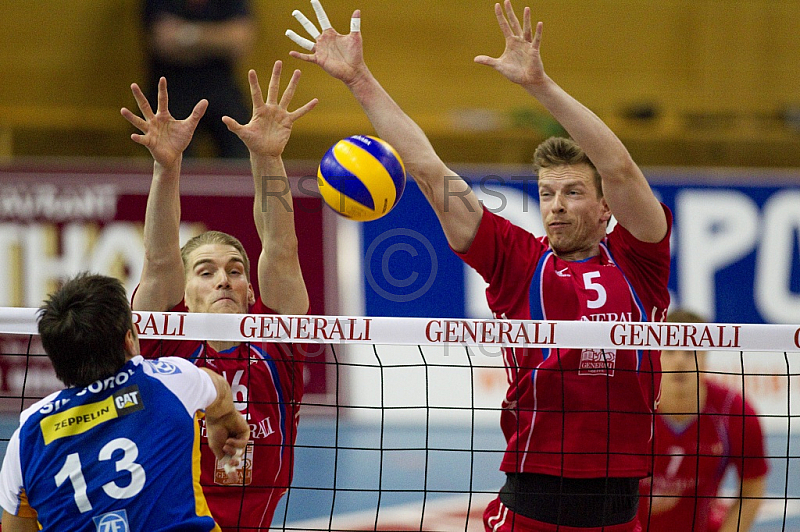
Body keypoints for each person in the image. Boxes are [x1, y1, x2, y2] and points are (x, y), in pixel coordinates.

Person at [286, 1, 671, 530]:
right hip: (533, 502)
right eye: (547, 193)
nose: (555, 204)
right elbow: (427, 169)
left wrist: (540, 86)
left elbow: (620, 168)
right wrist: (359, 80)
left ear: (606, 207)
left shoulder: (641, 263)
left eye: (574, 192)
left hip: (621, 510)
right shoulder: (516, 260)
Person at [121, 60, 317, 530]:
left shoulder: (278, 343)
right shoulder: (164, 344)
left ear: (253, 292)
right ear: (183, 294)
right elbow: (161, 260)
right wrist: (166, 167)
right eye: (205, 272)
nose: (224, 280)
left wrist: (267, 157)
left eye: (234, 271)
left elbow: (281, 249)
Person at [0, 273, 249, 531]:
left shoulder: (26, 436)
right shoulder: (172, 381)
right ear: (129, 340)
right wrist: (226, 418)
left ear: (57, 362)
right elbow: (216, 387)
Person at [638, 309, 769, 532]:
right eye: (670, 351)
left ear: (705, 357)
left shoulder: (734, 412)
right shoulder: (631, 407)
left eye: (690, 352)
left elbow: (753, 489)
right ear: (655, 355)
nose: (680, 360)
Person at [143, 0, 256, 158]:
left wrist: (184, 34)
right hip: (170, 89)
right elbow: (164, 42)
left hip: (222, 87)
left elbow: (239, 41)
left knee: (244, 146)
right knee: (171, 158)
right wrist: (217, 40)